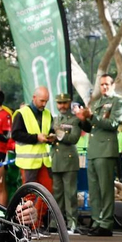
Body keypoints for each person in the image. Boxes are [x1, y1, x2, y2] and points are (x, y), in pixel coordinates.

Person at [81, 73, 122, 236]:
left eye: (107, 84)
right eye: (101, 84)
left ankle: (106, 223)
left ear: (113, 85)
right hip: (93, 150)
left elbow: (113, 124)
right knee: (93, 189)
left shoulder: (118, 102)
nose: (104, 87)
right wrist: (83, 119)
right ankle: (96, 220)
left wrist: (92, 117)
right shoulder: (97, 103)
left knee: (105, 189)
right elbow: (90, 128)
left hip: (106, 150)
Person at [12, 86, 56, 225]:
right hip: (28, 162)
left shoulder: (48, 114)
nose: (44, 104)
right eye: (42, 101)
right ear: (34, 98)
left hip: (44, 160)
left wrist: (52, 136)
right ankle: (27, 224)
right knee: (29, 194)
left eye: (46, 101)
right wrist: (36, 137)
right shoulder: (21, 113)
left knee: (48, 191)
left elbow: (50, 129)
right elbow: (16, 134)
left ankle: (36, 222)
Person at [50, 92, 85, 232]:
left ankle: (72, 222)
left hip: (69, 160)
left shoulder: (74, 120)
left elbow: (74, 138)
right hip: (56, 159)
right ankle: (56, 222)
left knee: (70, 194)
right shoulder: (55, 119)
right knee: (57, 193)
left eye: (64, 103)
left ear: (69, 103)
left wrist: (59, 135)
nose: (62, 106)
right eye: (59, 103)